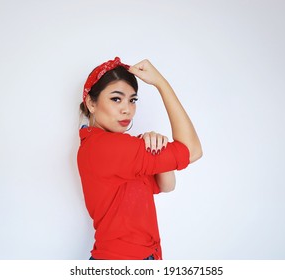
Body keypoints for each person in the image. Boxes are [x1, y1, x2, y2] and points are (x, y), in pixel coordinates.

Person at [77, 57, 202, 260]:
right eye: (116, 99)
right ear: (91, 103)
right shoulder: (105, 148)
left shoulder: (118, 147)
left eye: (132, 100)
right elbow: (193, 150)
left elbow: (167, 184)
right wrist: (161, 83)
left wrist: (157, 145)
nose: (127, 109)